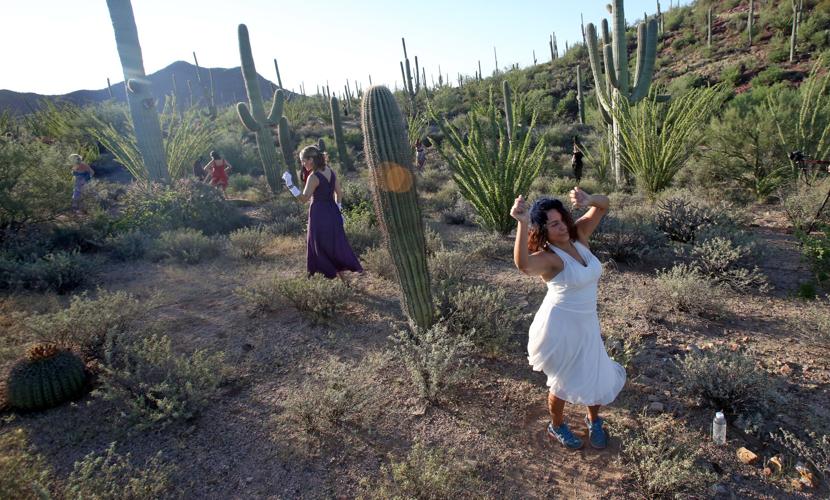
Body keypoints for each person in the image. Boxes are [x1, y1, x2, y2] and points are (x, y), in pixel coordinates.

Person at [510, 188, 625, 450]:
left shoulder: (580, 236)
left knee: (595, 372)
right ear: (543, 230)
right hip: (559, 327)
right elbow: (523, 265)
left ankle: (594, 420)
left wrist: (589, 200)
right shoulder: (550, 259)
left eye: (562, 219)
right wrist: (522, 223)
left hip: (587, 324)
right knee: (562, 382)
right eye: (553, 224)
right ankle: (557, 424)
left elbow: (604, 205)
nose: (562, 227)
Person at [282, 145, 363, 283]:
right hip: (332, 212)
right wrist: (339, 210)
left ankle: (321, 279)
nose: (302, 164)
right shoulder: (330, 171)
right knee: (333, 246)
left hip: (319, 215)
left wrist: (290, 185)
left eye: (303, 161)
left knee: (318, 246)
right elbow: (339, 193)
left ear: (311, 160)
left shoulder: (313, 177)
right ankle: (344, 282)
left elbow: (303, 199)